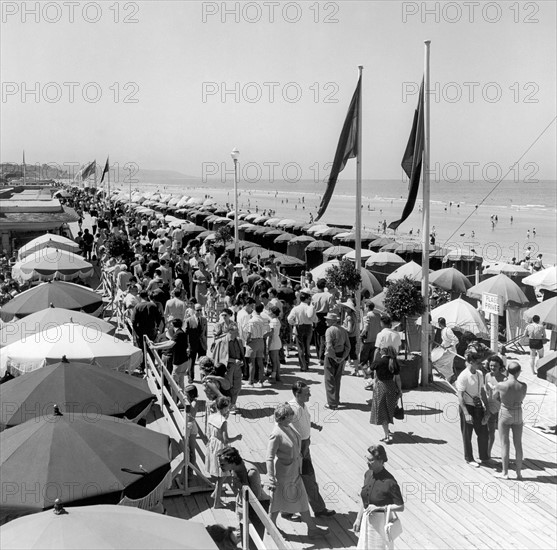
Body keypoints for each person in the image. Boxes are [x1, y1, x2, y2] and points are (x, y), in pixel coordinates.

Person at [266, 403, 329, 539]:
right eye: (289, 418)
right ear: (282, 418)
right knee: (278, 501)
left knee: (299, 498)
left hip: (295, 471)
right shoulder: (276, 434)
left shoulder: (288, 427)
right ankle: (271, 526)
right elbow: (269, 458)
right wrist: (271, 477)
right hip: (284, 474)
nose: (291, 420)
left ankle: (310, 528)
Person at [289, 382, 336, 518]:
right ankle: (289, 510)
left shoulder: (302, 406)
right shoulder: (291, 408)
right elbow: (284, 426)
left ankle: (318, 508)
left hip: (305, 446)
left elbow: (303, 422)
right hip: (298, 449)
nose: (310, 395)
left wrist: (314, 426)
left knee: (307, 478)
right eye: (306, 393)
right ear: (297, 394)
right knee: (299, 479)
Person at [353, 444, 404, 549]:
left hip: (380, 524)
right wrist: (358, 518)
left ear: (381, 461)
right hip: (366, 521)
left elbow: (401, 506)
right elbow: (365, 498)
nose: (367, 462)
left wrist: (380, 508)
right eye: (367, 459)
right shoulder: (368, 474)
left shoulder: (390, 482)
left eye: (371, 460)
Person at [217, 446, 270, 546]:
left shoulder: (251, 472)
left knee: (254, 544)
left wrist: (241, 486)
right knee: (245, 540)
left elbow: (255, 498)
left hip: (257, 508)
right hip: (243, 505)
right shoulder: (233, 468)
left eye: (222, 464)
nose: (220, 466)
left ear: (232, 462)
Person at [456, 346, 490, 467]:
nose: (480, 365)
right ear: (471, 362)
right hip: (467, 406)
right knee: (467, 434)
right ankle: (469, 458)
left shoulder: (480, 374)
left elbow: (482, 392)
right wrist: (465, 413)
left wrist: (487, 408)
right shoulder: (463, 376)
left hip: (478, 406)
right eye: (478, 363)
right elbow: (460, 396)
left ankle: (484, 456)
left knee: (483, 432)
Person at [493, 361, 527, 480]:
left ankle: (505, 472)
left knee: (504, 444)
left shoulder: (501, 385)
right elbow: (522, 397)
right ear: (518, 372)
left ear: (507, 371)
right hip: (518, 412)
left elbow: (494, 397)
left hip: (505, 412)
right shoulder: (523, 385)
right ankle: (519, 473)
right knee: (518, 444)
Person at [369, 347, 402, 444]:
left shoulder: (378, 361)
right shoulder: (393, 362)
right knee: (389, 410)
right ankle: (387, 432)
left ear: (382, 352)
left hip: (381, 387)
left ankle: (387, 435)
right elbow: (398, 379)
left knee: (382, 411)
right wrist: (400, 390)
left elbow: (370, 369)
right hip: (391, 387)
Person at [206, 397, 234, 508]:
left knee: (222, 475)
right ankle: (216, 503)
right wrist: (237, 437)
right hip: (221, 447)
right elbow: (226, 439)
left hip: (212, 444)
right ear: (225, 407)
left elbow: (208, 432)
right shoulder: (223, 421)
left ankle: (215, 494)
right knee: (222, 477)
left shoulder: (211, 416)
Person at [212, 323, 245, 413]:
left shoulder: (238, 340)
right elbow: (221, 358)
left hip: (237, 367)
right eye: (236, 331)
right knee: (227, 387)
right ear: (230, 331)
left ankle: (233, 404)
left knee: (237, 386)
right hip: (228, 368)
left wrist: (241, 361)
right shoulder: (222, 341)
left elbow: (241, 353)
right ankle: (228, 405)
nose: (238, 333)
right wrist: (233, 361)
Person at [151, 318, 191, 392]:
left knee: (172, 384)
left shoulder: (178, 333)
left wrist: (155, 347)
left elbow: (170, 345)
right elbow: (169, 342)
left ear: (172, 325)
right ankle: (182, 400)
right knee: (181, 382)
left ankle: (174, 401)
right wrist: (156, 344)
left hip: (178, 363)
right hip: (184, 361)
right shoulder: (181, 332)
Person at [323, 312, 351, 410]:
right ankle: (336, 399)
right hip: (341, 355)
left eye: (328, 319)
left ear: (333, 321)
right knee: (337, 379)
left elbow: (329, 346)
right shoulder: (343, 330)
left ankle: (332, 403)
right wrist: (343, 357)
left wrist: (334, 357)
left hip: (331, 356)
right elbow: (348, 346)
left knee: (329, 379)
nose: (326, 320)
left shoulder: (329, 330)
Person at [287, 291, 316, 372]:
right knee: (307, 346)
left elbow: (289, 319)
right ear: (306, 299)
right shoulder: (309, 307)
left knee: (300, 347)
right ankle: (307, 364)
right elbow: (313, 317)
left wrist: (294, 323)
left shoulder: (296, 308)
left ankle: (302, 365)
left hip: (299, 326)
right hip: (308, 327)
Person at [484, 355, 506, 460]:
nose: (492, 368)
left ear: (500, 366)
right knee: (490, 431)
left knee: (502, 434)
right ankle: (487, 453)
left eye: (495, 366)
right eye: (491, 365)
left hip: (500, 408)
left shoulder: (504, 379)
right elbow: (485, 390)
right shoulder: (487, 375)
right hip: (489, 406)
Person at [245, 303, 271, 387]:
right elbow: (268, 330)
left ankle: (251, 382)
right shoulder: (264, 319)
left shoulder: (252, 320)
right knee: (260, 362)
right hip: (261, 341)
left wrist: (247, 341)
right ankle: (261, 381)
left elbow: (249, 334)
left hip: (253, 341)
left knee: (251, 363)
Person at [311, 278, 335, 365]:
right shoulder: (329, 295)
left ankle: (319, 356)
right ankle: (322, 357)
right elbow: (331, 307)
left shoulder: (314, 296)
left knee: (317, 336)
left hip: (316, 316)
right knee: (324, 337)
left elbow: (312, 308)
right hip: (325, 315)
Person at [185, 303, 208, 383]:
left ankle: (203, 378)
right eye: (197, 310)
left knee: (203, 362)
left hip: (202, 344)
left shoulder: (204, 320)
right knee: (191, 361)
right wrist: (187, 346)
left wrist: (206, 343)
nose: (199, 312)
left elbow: (205, 333)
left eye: (200, 310)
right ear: (194, 310)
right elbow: (186, 334)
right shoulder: (189, 320)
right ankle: (190, 377)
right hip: (192, 344)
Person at [360, 302, 382, 374]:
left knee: (363, 360)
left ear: (367, 307)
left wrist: (361, 335)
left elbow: (366, 327)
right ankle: (372, 375)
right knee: (372, 360)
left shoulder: (366, 316)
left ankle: (366, 375)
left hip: (367, 341)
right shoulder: (378, 315)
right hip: (376, 341)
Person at [341, 299, 359, 374]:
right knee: (353, 354)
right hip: (353, 337)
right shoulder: (354, 315)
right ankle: (356, 370)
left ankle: (342, 370)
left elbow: (349, 329)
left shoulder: (349, 317)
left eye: (346, 307)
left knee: (346, 354)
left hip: (349, 337)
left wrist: (342, 327)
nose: (344, 309)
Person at [266, 306, 282, 382]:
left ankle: (273, 377)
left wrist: (268, 346)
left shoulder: (273, 321)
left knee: (273, 361)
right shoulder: (276, 320)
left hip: (273, 342)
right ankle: (277, 376)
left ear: (272, 313)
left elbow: (271, 334)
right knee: (276, 360)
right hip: (276, 341)